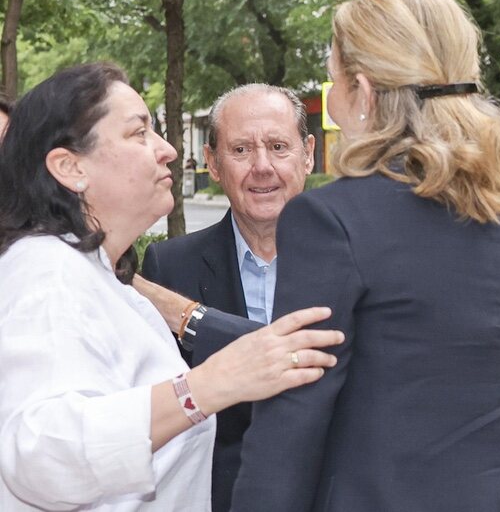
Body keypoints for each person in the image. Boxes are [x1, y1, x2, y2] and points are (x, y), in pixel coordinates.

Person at [223, 0, 500, 511]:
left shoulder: (328, 221)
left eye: (333, 81)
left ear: (362, 90)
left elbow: (293, 422)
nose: (331, 100)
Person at [0, 62, 342, 511]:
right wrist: (208, 385)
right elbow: (42, 455)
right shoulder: (46, 270)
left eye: (278, 146)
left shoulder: (100, 279)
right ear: (70, 166)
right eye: (139, 133)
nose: (167, 150)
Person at [140, 84, 315, 512]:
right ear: (214, 164)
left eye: (278, 147)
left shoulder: (360, 261)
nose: (262, 167)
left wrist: (192, 319)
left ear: (308, 154)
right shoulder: (167, 269)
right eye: (240, 150)